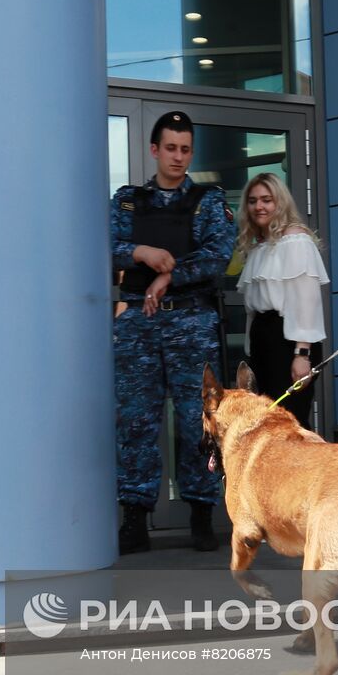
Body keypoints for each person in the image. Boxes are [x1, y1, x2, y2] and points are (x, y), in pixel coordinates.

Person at [112, 111, 237, 554]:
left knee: (196, 421)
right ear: (154, 150)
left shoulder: (208, 201)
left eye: (185, 149)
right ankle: (135, 519)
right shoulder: (128, 202)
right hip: (138, 325)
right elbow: (104, 244)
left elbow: (219, 253)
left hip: (191, 322)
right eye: (170, 148)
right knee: (136, 422)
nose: (178, 157)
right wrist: (141, 253)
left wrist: (171, 274)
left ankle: (201, 515)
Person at [234, 172, 329, 430]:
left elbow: (306, 302)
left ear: (281, 202)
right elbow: (254, 310)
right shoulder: (258, 246)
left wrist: (302, 354)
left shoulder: (296, 240)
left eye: (267, 200)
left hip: (289, 343)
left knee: (291, 423)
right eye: (253, 201)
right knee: (270, 424)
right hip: (264, 341)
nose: (259, 206)